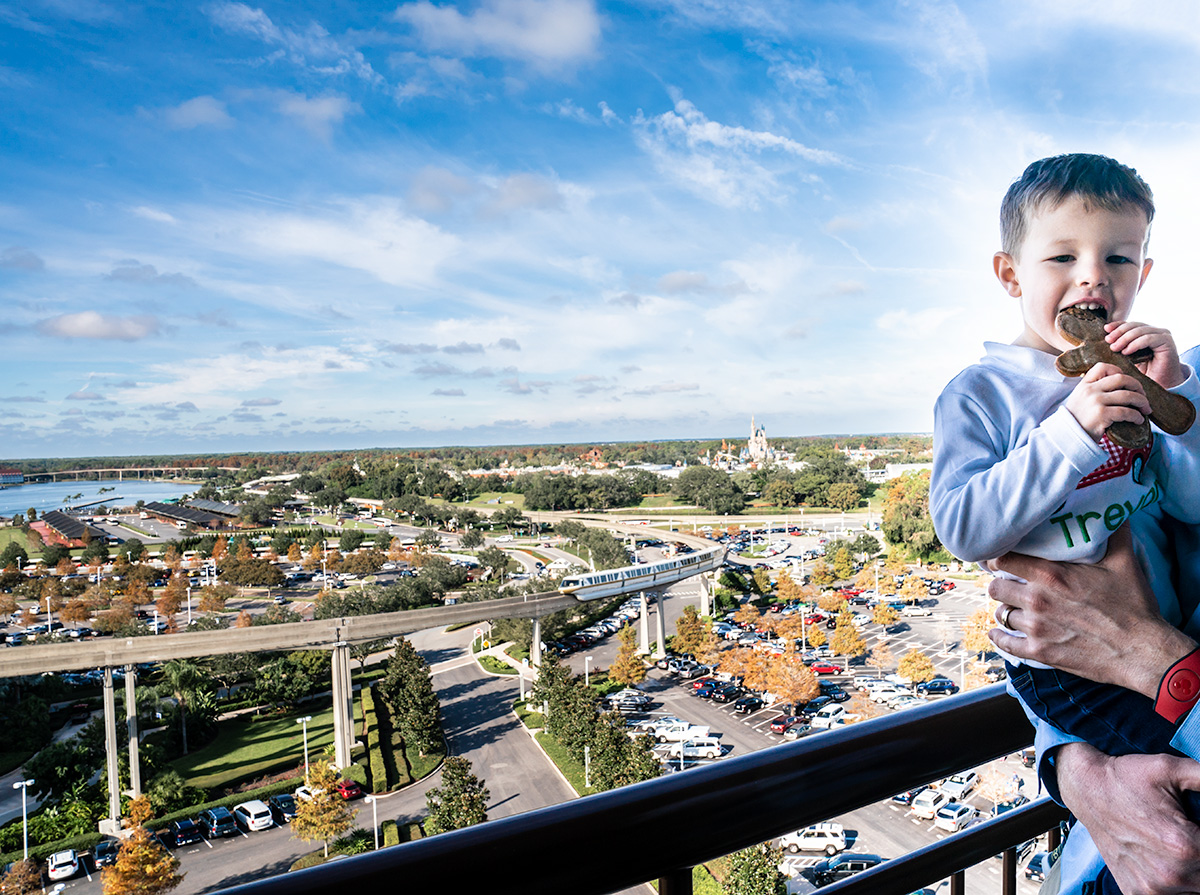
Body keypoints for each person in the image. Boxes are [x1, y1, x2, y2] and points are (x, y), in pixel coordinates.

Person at [929, 153, 1200, 894]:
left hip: (1162, 651)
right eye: (1062, 256)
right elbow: (962, 525)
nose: (1094, 278)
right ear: (1011, 274)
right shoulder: (984, 394)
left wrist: (1179, 402)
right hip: (1068, 670)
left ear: (1144, 273)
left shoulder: (1152, 374)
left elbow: (1190, 503)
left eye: (1118, 256)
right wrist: (1071, 434)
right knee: (1179, 805)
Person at [990, 520, 1200, 895]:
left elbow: (1111, 638)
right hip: (1097, 858)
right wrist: (1080, 771)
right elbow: (1051, 648)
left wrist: (1149, 653)